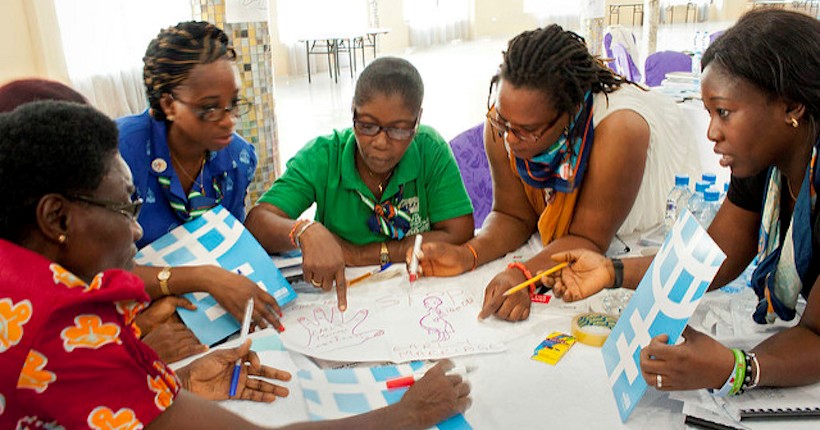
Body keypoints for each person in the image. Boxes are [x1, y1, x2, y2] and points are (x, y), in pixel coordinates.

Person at [0, 100, 471, 429]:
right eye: (126, 209)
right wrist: (406, 414)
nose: (138, 231)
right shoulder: (62, 325)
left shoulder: (16, 277)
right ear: (56, 216)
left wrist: (178, 382)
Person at [546, 9, 820, 392]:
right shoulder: (763, 162)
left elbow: (817, 335)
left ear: (791, 106)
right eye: (708, 113)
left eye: (724, 113)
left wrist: (737, 368)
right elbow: (710, 258)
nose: (711, 132)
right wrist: (612, 272)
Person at [412, 24, 699, 322]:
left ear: (571, 112)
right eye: (504, 123)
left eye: (527, 131)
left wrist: (523, 274)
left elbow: (588, 240)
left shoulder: (619, 130)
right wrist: (467, 255)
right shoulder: (502, 126)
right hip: (571, 245)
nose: (509, 140)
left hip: (640, 243)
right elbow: (513, 216)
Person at [245, 57, 474, 310]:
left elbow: (459, 232)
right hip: (343, 302)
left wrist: (359, 255)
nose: (381, 142)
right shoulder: (324, 156)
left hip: (417, 299)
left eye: (398, 130)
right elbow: (258, 222)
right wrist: (302, 231)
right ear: (352, 110)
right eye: (367, 126)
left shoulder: (429, 149)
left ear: (417, 120)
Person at [118, 21, 283, 331]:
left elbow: (231, 247)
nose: (228, 120)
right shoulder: (120, 157)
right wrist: (203, 277)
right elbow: (101, 270)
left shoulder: (237, 158)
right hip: (128, 313)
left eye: (233, 104)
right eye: (209, 108)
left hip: (200, 311)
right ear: (169, 104)